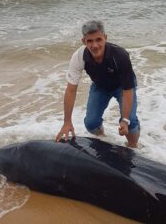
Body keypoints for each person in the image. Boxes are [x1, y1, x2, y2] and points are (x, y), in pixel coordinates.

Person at [55, 20, 140, 148]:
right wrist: (67, 122)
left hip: (122, 87)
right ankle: (104, 140)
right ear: (83, 41)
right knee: (91, 123)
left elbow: (128, 89)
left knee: (131, 122)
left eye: (98, 39)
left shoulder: (120, 55)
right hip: (100, 87)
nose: (95, 45)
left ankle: (133, 146)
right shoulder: (79, 56)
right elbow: (71, 90)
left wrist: (125, 120)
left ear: (105, 38)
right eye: (89, 41)